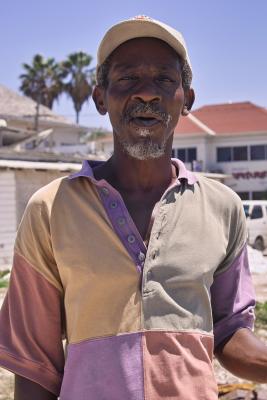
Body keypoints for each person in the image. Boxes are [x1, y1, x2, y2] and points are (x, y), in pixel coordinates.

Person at [0, 15, 267, 400]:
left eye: (164, 79)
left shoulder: (223, 207)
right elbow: (34, 366)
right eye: (127, 78)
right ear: (100, 98)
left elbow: (230, 334)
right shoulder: (51, 209)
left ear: (186, 99)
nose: (147, 93)